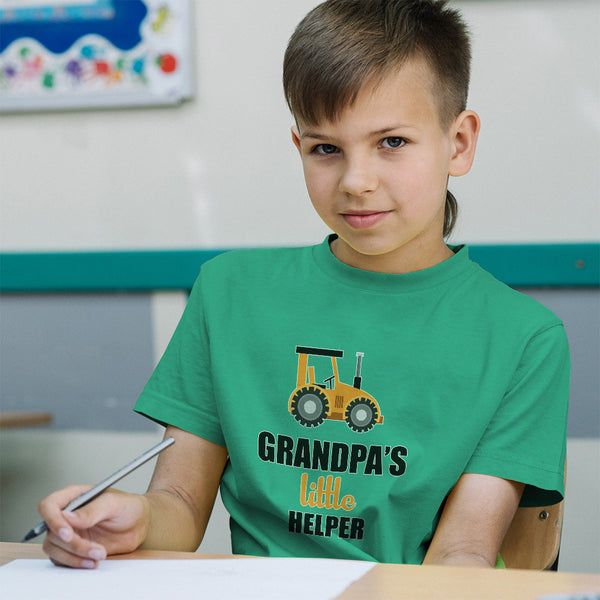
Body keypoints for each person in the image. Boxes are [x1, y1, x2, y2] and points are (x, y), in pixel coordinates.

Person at [38, 0, 569, 570]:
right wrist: (135, 518)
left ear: (458, 143)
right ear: (300, 148)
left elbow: (462, 552)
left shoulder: (525, 338)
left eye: (391, 142)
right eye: (326, 148)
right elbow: (180, 505)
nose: (355, 181)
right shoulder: (228, 293)